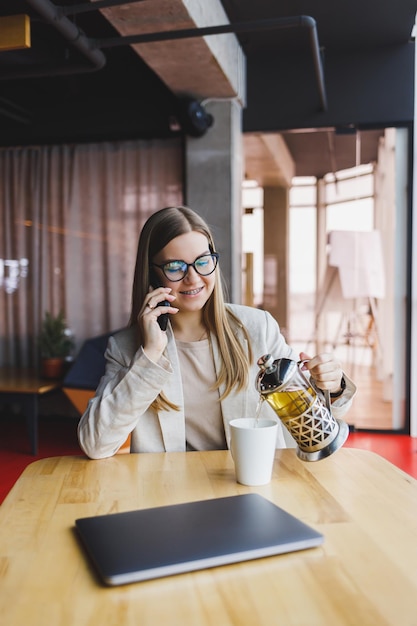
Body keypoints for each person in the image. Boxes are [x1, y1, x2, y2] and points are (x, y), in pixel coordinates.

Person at [78, 206, 356, 459]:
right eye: (175, 267)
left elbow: (316, 421)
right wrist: (150, 354)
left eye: (203, 261)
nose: (193, 278)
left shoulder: (258, 328)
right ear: (153, 275)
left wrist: (332, 386)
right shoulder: (127, 348)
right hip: (171, 496)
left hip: (254, 487)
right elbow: (95, 444)